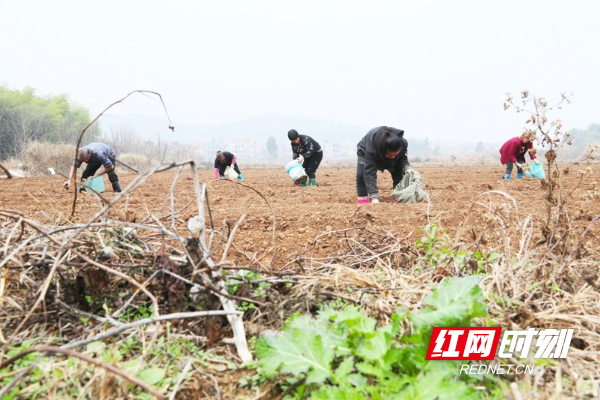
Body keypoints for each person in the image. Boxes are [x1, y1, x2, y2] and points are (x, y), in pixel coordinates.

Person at [356, 126, 412, 204]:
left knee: (398, 174)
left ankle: (398, 197)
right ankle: (363, 201)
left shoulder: (402, 143)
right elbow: (369, 172)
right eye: (390, 155)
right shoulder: (372, 148)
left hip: (384, 152)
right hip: (365, 150)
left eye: (395, 155)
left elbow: (403, 159)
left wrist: (407, 168)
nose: (392, 157)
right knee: (361, 175)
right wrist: (374, 196)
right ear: (383, 150)